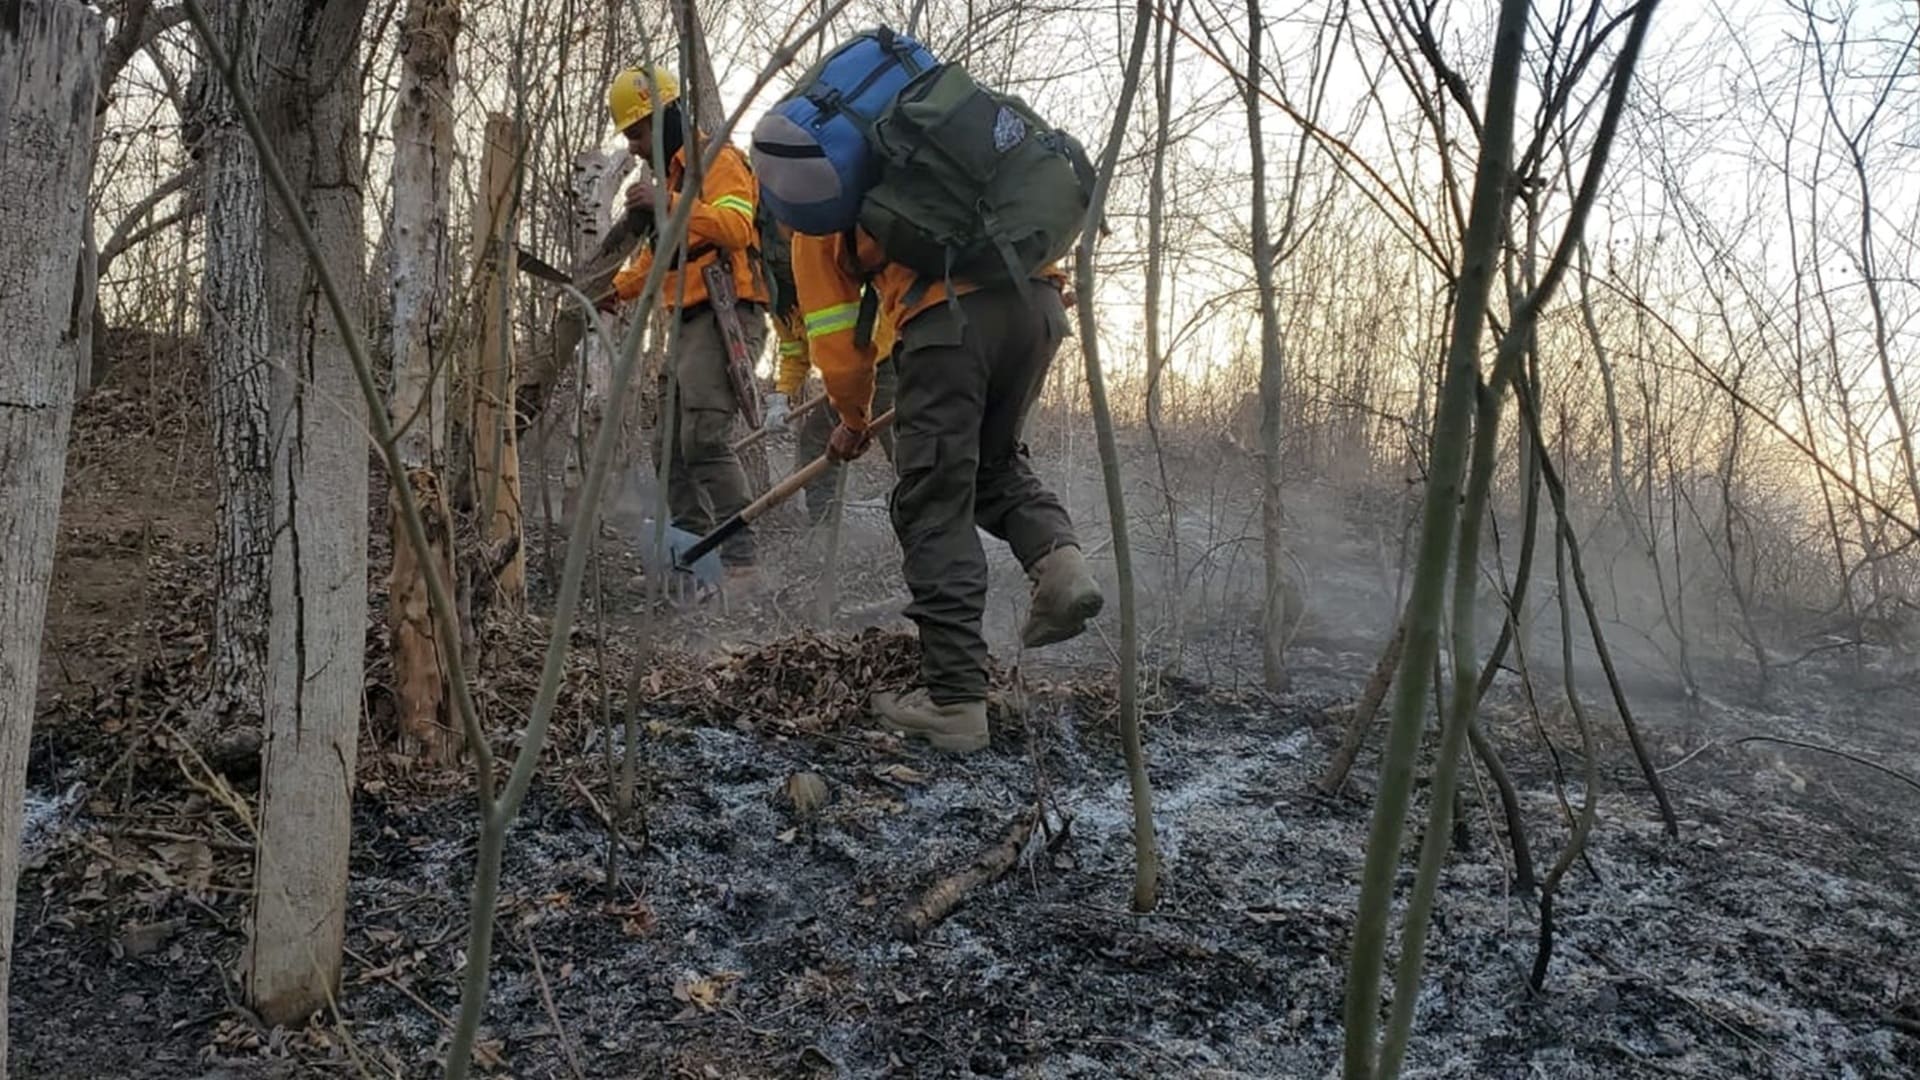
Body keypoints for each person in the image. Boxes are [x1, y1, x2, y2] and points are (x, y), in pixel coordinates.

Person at [792, 231, 1103, 753]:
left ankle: (956, 702)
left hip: (946, 321)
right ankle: (1062, 568)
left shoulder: (818, 195)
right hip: (1039, 307)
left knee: (933, 500)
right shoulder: (933, 150)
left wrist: (851, 417)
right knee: (993, 465)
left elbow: (837, 338)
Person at [605, 64, 766, 582]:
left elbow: (737, 227)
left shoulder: (716, 160)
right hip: (683, 323)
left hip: (724, 317)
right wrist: (617, 290)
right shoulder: (671, 178)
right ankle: (696, 560)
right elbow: (663, 257)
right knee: (668, 447)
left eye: (636, 131)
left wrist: (668, 202)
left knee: (703, 438)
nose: (632, 146)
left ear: (664, 117)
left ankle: (743, 565)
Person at [766, 268, 899, 528]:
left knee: (900, 438)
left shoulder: (824, 276)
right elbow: (795, 354)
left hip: (884, 359)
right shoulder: (781, 305)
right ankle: (825, 524)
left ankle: (925, 513)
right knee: (817, 438)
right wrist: (781, 395)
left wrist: (851, 378)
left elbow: (869, 322)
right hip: (848, 372)